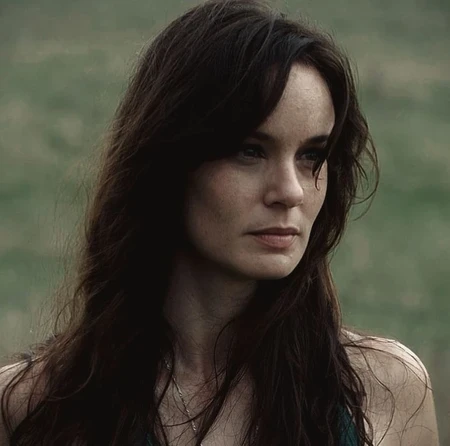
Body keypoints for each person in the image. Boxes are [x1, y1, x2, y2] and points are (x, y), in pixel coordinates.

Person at [0, 0, 440, 444]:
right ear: (170, 161)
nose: (291, 191)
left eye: (311, 155)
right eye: (250, 151)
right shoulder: (30, 408)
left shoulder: (386, 392)